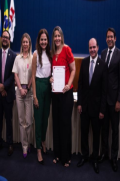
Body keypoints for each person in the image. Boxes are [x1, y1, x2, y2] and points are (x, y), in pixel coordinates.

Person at [77, 38, 106, 174]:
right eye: (90, 48)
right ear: (88, 49)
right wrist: (79, 103)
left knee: (95, 135)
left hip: (96, 109)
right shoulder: (84, 62)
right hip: (84, 108)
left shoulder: (102, 64)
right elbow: (80, 85)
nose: (92, 50)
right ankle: (84, 156)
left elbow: (104, 90)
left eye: (94, 47)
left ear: (98, 47)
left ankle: (95, 159)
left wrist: (102, 110)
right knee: (84, 133)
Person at [99, 27, 120, 172]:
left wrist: (119, 101)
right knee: (104, 130)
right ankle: (104, 153)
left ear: (115, 39)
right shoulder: (102, 53)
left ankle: (114, 158)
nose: (109, 39)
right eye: (107, 37)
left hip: (114, 101)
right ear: (106, 39)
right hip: (104, 101)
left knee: (115, 131)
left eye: (112, 37)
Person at [50, 26, 75, 167]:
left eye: (59, 36)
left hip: (66, 93)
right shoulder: (52, 53)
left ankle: (67, 156)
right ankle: (58, 154)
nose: (57, 38)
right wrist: (51, 80)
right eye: (55, 36)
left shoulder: (67, 49)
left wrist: (69, 84)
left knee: (65, 125)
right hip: (55, 95)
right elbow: (51, 74)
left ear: (62, 37)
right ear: (53, 38)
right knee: (57, 124)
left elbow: (73, 69)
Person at [0, 30, 16, 156]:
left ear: (9, 39)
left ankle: (10, 144)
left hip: (8, 95)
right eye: (3, 37)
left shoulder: (14, 55)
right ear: (1, 39)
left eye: (7, 37)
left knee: (9, 121)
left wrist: (4, 86)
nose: (5, 39)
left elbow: (13, 75)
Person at [32, 29, 52, 164]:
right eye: (41, 39)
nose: (44, 42)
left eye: (45, 39)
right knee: (38, 120)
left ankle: (43, 140)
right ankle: (38, 148)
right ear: (38, 41)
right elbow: (32, 77)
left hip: (48, 88)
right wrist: (34, 96)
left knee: (45, 118)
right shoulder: (35, 55)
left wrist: (51, 78)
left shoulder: (50, 54)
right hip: (38, 86)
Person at [12, 33, 33, 158]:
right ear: (21, 43)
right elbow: (15, 74)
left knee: (29, 121)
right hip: (19, 92)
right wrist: (20, 88)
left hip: (29, 91)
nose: (25, 44)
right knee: (21, 121)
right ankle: (24, 146)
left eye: (27, 42)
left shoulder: (32, 58)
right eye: (23, 42)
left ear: (29, 44)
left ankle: (29, 143)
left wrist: (28, 88)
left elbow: (33, 75)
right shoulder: (17, 58)